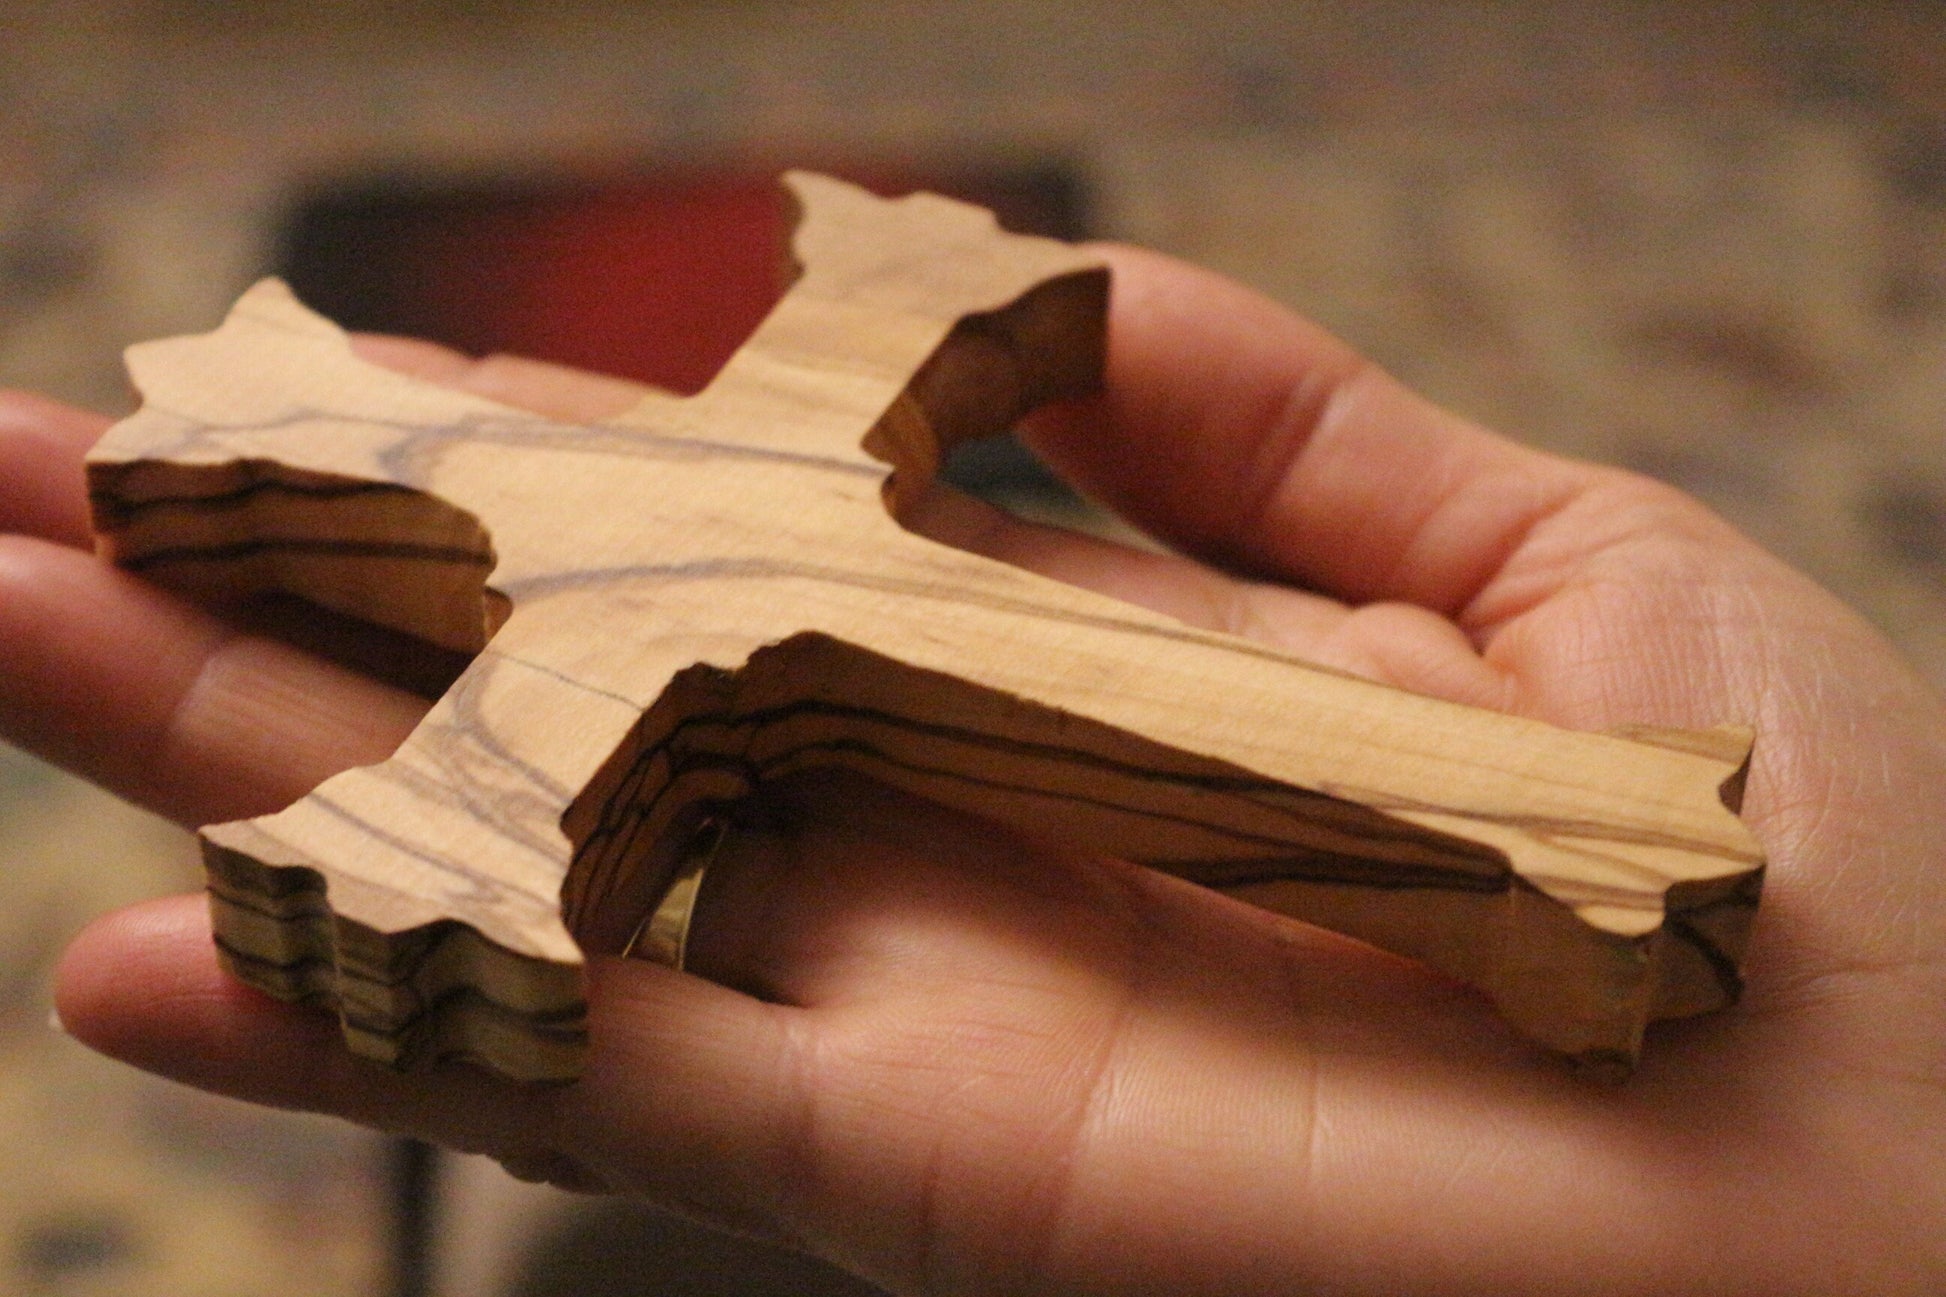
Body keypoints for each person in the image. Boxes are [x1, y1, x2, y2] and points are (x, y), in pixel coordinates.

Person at [4, 243, 1941, 1296]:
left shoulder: (722, 469)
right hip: (782, 600)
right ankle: (1590, 838)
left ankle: (1591, 843)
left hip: (840, 586)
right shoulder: (639, 540)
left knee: (1172, 720)